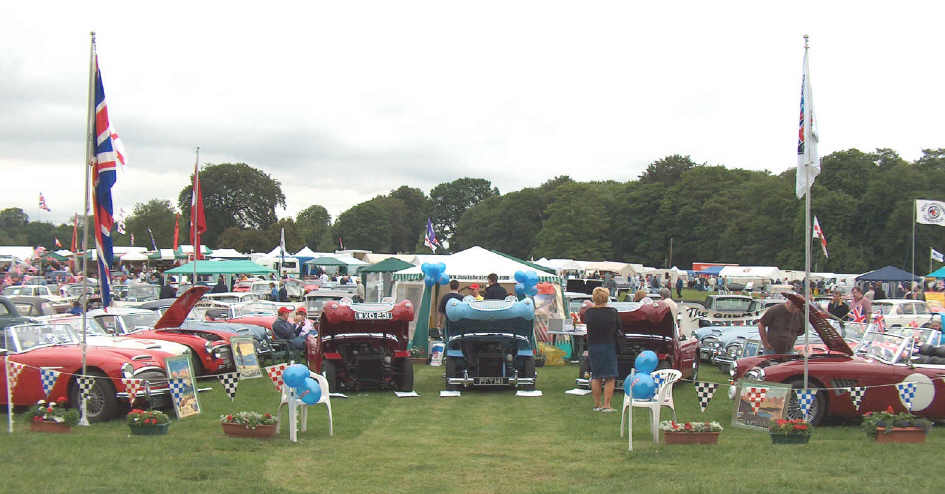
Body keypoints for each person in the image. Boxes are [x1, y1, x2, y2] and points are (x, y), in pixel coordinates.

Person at [584, 287, 621, 412]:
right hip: (608, 345)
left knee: (596, 375)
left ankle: (597, 404)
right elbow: (619, 328)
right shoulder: (613, 312)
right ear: (606, 297)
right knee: (610, 377)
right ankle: (607, 405)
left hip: (593, 346)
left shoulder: (589, 313)